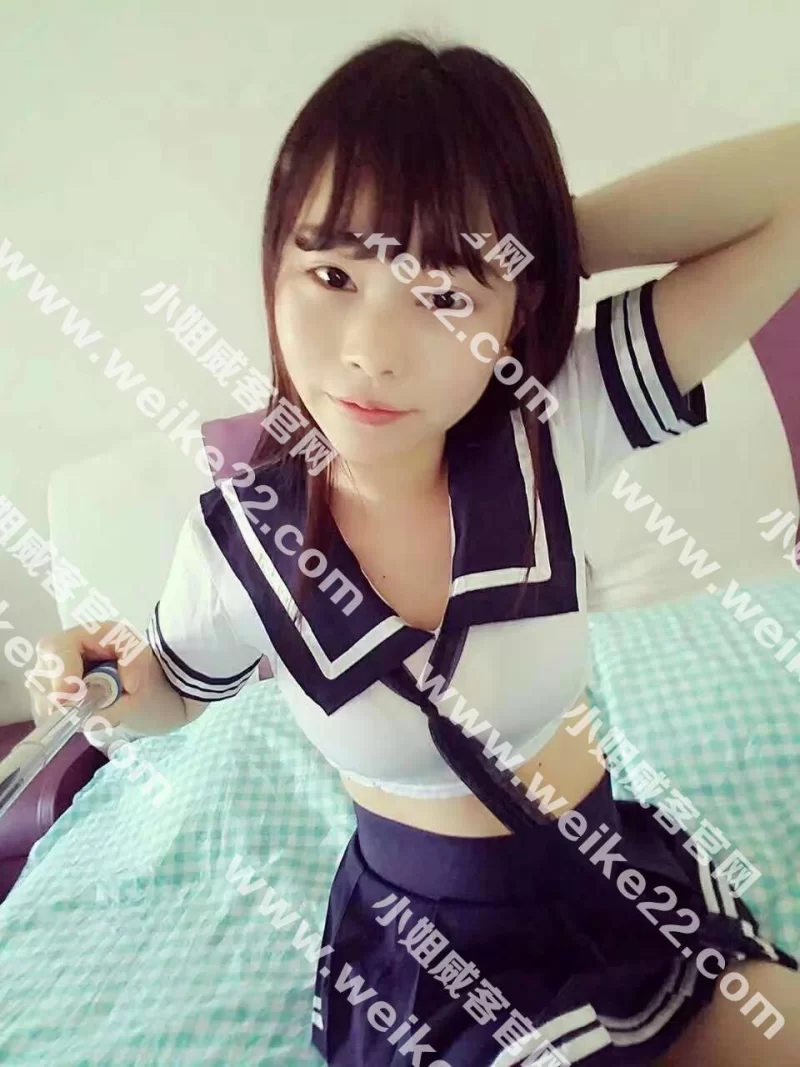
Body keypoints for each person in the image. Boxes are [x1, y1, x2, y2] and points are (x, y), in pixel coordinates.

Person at [29, 33, 800, 1067]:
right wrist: (109, 682)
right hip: (433, 960)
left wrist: (533, 235)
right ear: (273, 270)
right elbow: (175, 688)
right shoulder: (241, 541)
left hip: (605, 887)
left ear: (514, 312)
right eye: (332, 272)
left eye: (442, 296)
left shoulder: (553, 425)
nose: (371, 352)